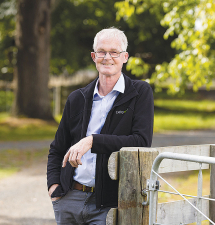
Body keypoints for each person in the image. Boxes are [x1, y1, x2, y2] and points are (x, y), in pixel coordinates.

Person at [47, 27, 154, 225]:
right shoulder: (77, 98)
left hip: (107, 204)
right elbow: (57, 149)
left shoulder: (139, 93)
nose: (107, 57)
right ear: (93, 56)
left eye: (114, 52)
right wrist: (54, 188)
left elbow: (141, 141)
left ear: (125, 57)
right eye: (102, 52)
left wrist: (92, 141)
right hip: (70, 199)